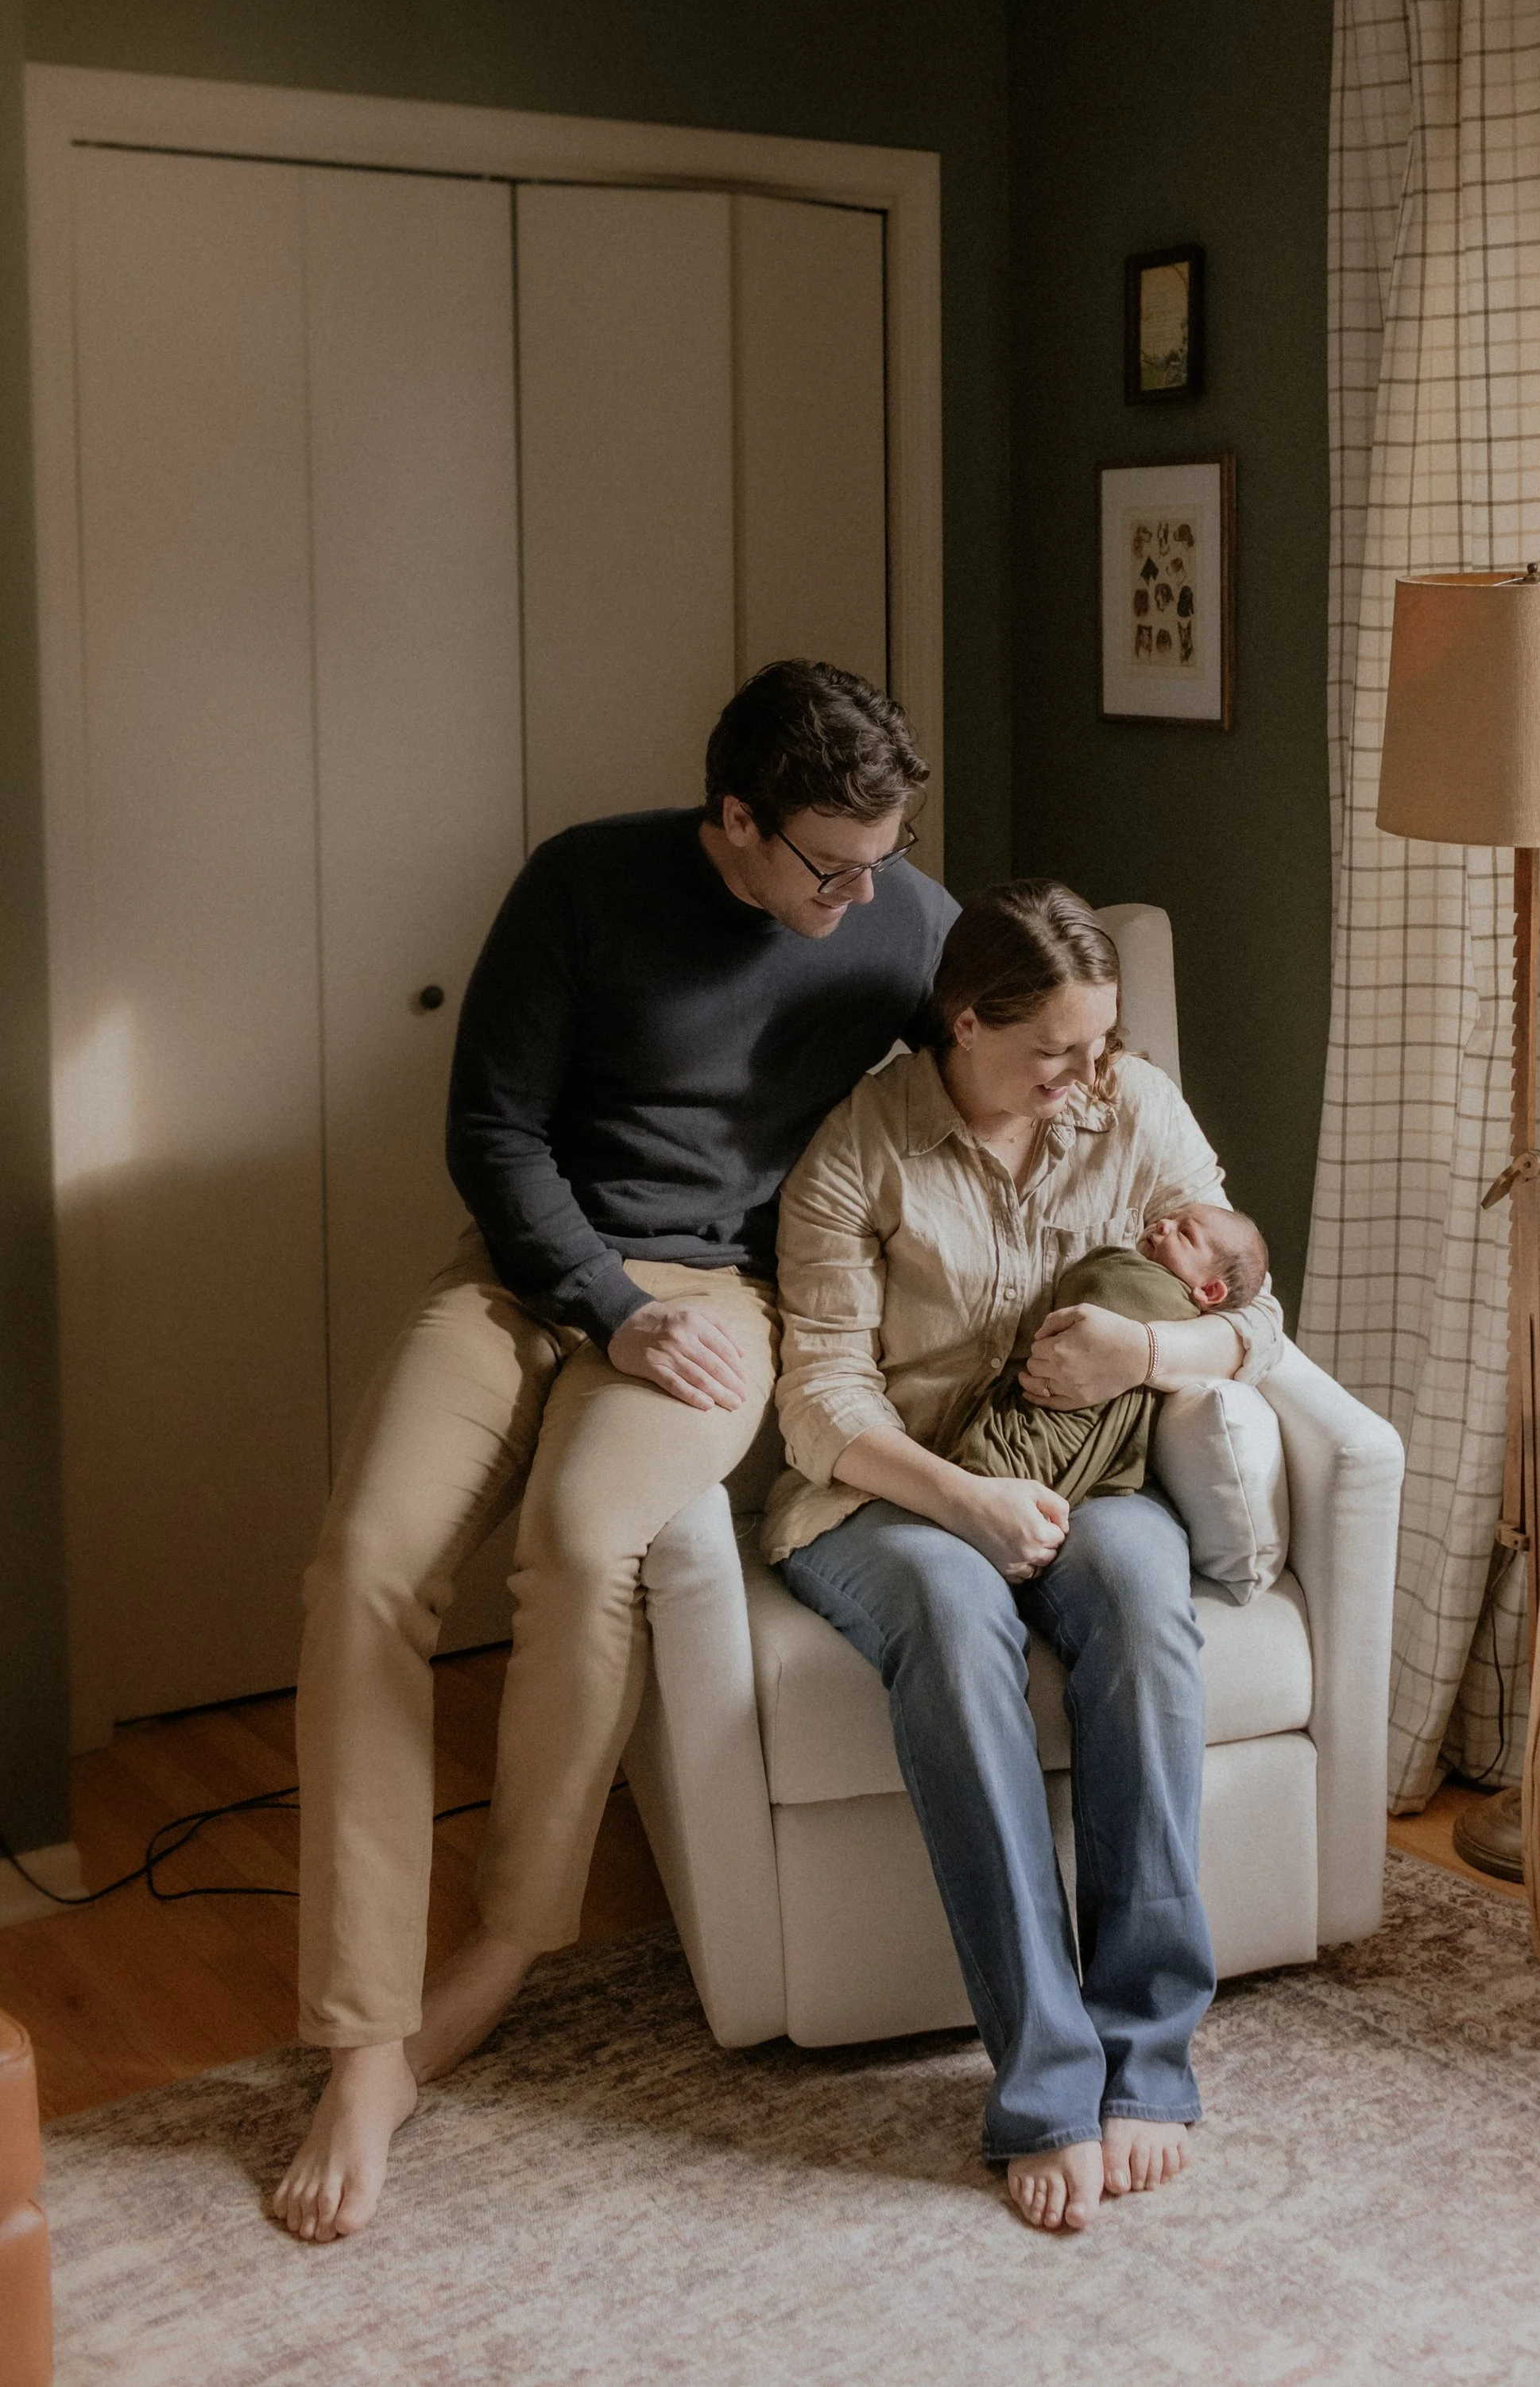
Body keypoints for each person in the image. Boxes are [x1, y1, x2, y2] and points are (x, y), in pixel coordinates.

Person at [273, 661, 954, 2242]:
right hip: (526, 1275)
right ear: (732, 817)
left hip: (721, 1297)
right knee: (363, 1567)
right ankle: (365, 2037)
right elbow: (491, 1130)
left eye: (882, 857)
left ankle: (503, 1947)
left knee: (582, 1549)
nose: (862, 896)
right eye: (829, 864)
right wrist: (594, 1304)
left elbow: (1015, 1070)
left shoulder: (901, 918)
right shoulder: (583, 881)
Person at [764, 881, 1283, 2235]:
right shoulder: (860, 1151)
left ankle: (1146, 2052)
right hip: (892, 1492)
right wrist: (967, 1503)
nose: (1081, 1078)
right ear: (965, 1022)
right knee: (952, 1616)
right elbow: (821, 1400)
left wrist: (1149, 1351)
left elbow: (1256, 1319)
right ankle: (1047, 2080)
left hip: (1088, 1474)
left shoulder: (1135, 1109)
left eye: (1098, 1045)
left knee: (1137, 1592)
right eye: (1053, 1051)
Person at [945, 1203, 1269, 1509]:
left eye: (1185, 1233)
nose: (1163, 1223)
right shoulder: (1155, 1281)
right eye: (1171, 1217)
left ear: (1210, 1291)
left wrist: (1143, 1350)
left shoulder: (1163, 1297)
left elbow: (1096, 1281)